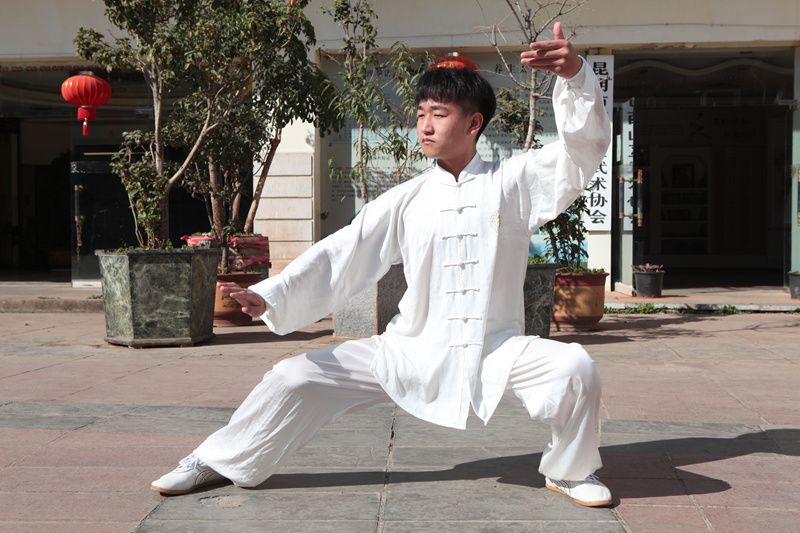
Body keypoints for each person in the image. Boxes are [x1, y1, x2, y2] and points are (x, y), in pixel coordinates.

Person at [152, 22, 613, 507]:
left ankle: (570, 471)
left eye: (439, 114)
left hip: (496, 349)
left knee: (574, 367)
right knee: (293, 376)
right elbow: (342, 252)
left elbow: (582, 152)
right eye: (421, 114)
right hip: (409, 349)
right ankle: (217, 460)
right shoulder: (406, 198)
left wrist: (576, 76)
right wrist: (271, 294)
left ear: (474, 123)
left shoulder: (514, 182)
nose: (425, 126)